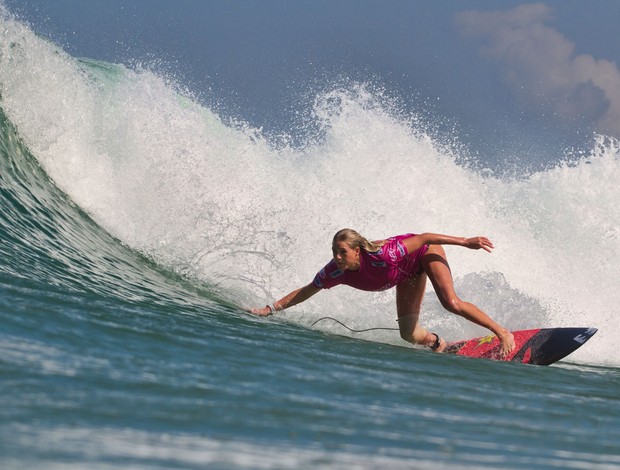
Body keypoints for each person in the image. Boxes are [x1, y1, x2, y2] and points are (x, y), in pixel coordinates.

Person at [250, 229, 516, 357]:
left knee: (451, 302)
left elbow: (424, 239)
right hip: (407, 273)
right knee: (409, 333)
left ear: (357, 250)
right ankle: (440, 345)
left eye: (343, 251)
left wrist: (466, 242)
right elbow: (306, 291)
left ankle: (503, 334)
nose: (338, 257)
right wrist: (270, 309)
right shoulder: (335, 272)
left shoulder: (384, 254)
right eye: (335, 252)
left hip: (425, 254)